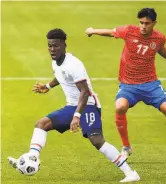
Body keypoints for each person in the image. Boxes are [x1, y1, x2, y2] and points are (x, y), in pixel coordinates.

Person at [8, 28, 140, 182]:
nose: (52, 49)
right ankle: (32, 157)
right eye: (50, 46)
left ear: (64, 45)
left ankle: (130, 173)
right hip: (72, 105)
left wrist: (76, 116)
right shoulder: (56, 61)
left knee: (96, 140)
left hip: (88, 105)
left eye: (56, 46)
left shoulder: (74, 65)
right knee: (41, 124)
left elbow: (85, 92)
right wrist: (48, 86)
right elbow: (60, 75)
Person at [85, 8, 166, 163]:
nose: (143, 26)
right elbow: (110, 32)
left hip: (150, 84)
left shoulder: (159, 38)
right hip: (128, 85)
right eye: (141, 22)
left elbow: (161, 49)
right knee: (120, 107)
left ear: (154, 23)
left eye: (147, 23)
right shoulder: (129, 31)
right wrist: (92, 30)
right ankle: (126, 147)